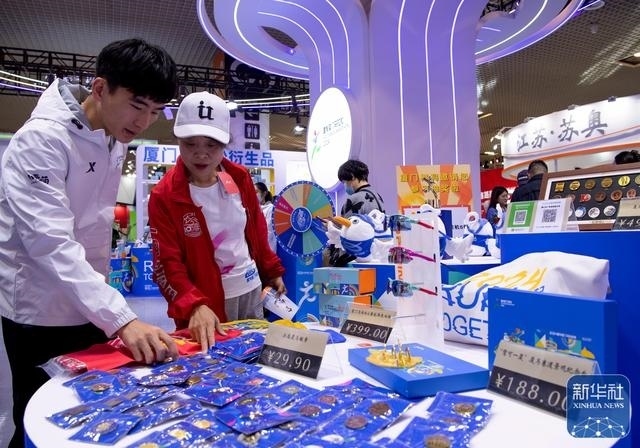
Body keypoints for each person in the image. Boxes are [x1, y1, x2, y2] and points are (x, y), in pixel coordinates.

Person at [0, 38, 180, 448]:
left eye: (155, 111)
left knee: (85, 415)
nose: (144, 121)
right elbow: (50, 243)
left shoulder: (114, 136)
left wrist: (108, 311)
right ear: (100, 88)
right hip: (39, 311)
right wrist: (123, 318)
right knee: (38, 419)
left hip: (90, 305)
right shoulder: (41, 141)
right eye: (137, 105)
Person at [148, 91, 286, 352]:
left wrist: (271, 270)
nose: (201, 154)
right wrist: (193, 305)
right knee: (209, 369)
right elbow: (166, 262)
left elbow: (256, 229)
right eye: (190, 143)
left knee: (255, 360)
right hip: (203, 304)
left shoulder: (240, 177)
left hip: (250, 289)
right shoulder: (164, 196)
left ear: (224, 143)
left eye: (211, 145)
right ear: (178, 141)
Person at [328, 159, 386, 266]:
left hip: (356, 258)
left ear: (352, 176)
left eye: (344, 182)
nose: (345, 185)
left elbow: (348, 233)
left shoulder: (353, 199)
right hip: (376, 255)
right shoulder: (378, 197)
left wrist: (332, 227)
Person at [255, 181, 277, 252]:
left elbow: (269, 233)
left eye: (256, 192)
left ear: (264, 193)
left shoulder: (271, 208)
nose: (253, 195)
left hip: (268, 249)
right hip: (256, 249)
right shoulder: (253, 209)